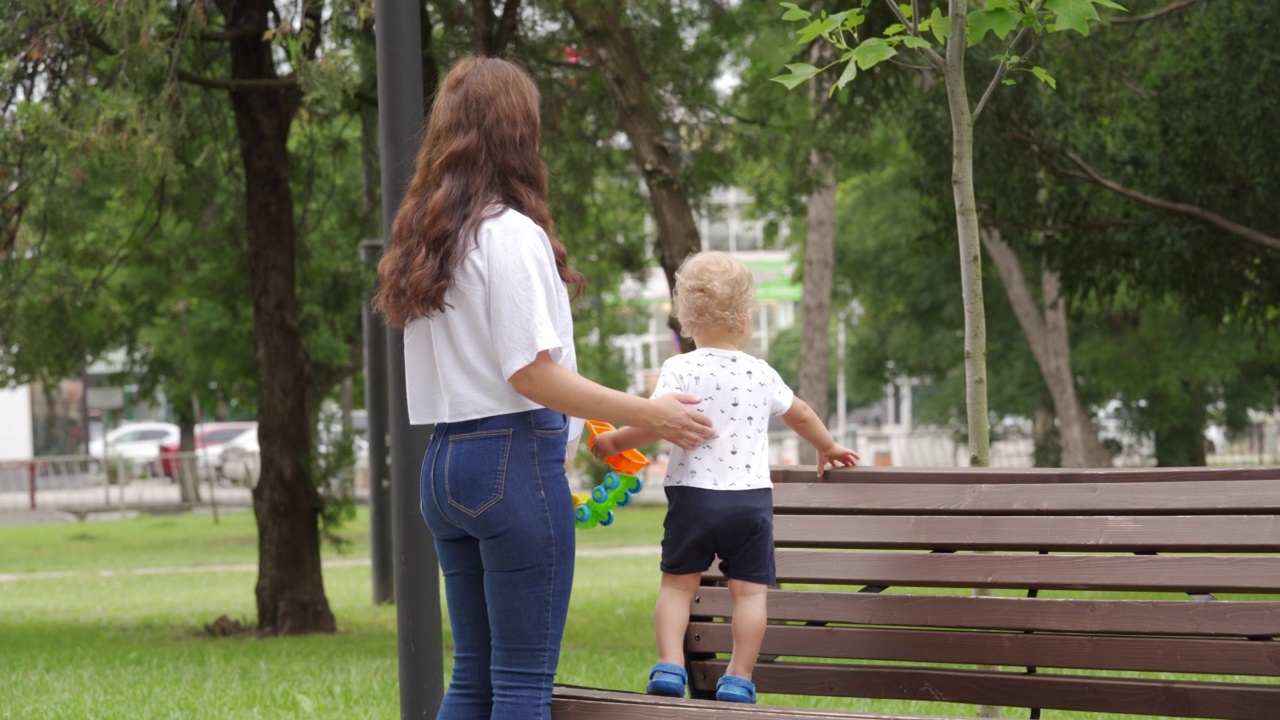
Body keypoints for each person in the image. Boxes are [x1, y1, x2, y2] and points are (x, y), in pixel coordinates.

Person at [373, 57, 716, 720]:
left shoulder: (429, 240)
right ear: (518, 134)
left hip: (444, 464)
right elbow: (529, 373)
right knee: (522, 684)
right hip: (512, 461)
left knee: (472, 678)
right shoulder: (508, 234)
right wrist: (651, 412)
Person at [590, 251, 859, 705]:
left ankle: (671, 666)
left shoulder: (681, 368)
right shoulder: (761, 372)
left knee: (678, 585)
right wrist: (827, 446)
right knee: (750, 594)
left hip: (694, 498)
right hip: (749, 502)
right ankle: (739, 676)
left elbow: (655, 422)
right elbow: (803, 412)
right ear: (746, 318)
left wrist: (614, 443)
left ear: (685, 320)